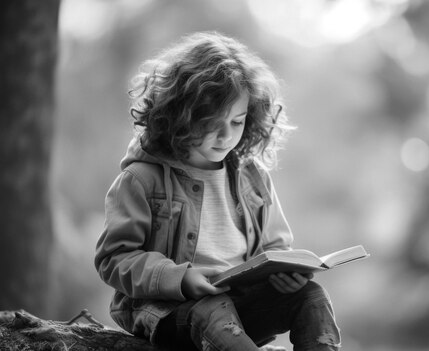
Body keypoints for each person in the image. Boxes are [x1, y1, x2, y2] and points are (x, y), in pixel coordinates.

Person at [94, 31, 341, 351]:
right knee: (212, 310)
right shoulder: (141, 179)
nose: (226, 136)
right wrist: (178, 279)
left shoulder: (253, 177)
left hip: (239, 306)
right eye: (213, 122)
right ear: (181, 114)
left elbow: (276, 245)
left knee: (311, 297)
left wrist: (285, 274)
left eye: (237, 122)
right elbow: (114, 258)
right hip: (169, 310)